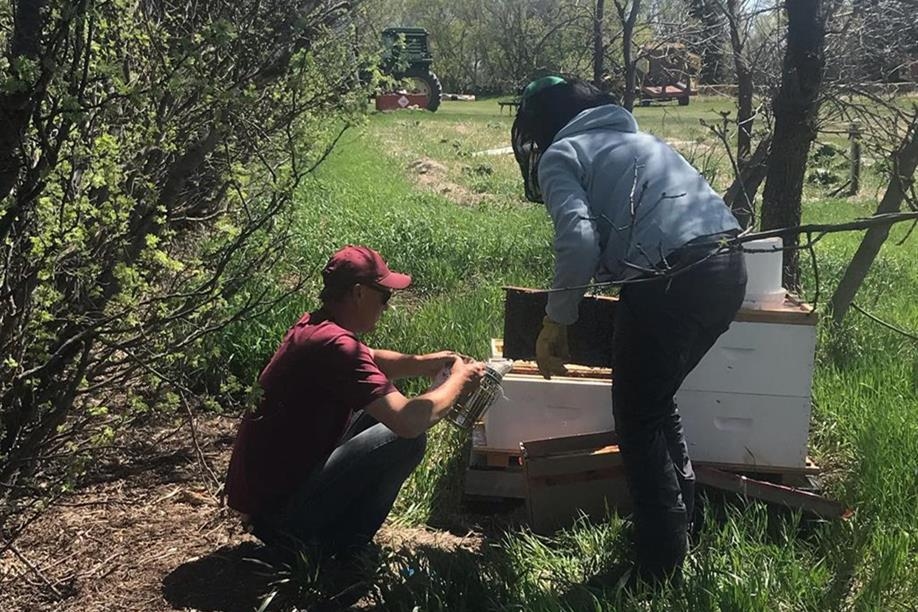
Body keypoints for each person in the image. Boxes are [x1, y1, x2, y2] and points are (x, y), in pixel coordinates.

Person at [511, 76, 748, 584]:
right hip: (728, 266)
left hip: (666, 277)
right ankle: (684, 526)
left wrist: (557, 319)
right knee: (656, 403)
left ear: (543, 126)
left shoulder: (563, 154)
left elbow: (577, 242)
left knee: (636, 420)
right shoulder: (643, 143)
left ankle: (657, 565)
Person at [225, 245, 485, 558]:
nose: (386, 307)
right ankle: (337, 547)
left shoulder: (316, 327)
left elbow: (371, 359)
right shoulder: (334, 345)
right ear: (359, 293)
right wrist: (460, 382)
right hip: (282, 517)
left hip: (270, 503)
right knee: (406, 440)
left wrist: (427, 362)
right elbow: (408, 421)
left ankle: (325, 536)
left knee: (378, 414)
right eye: (384, 297)